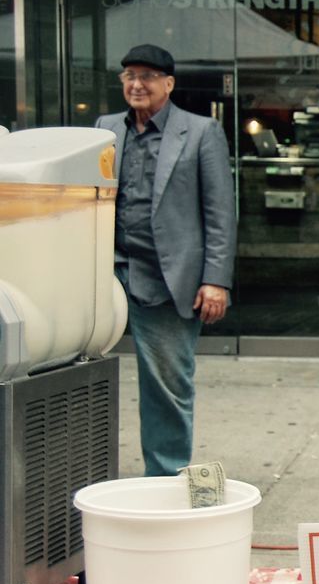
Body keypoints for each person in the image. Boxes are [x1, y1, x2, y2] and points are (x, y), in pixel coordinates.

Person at [96, 44, 237, 477]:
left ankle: (165, 477)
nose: (137, 84)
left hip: (165, 278)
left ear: (168, 84)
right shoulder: (105, 130)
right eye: (129, 76)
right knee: (77, 373)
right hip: (106, 276)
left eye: (148, 77)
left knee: (167, 386)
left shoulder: (200, 131)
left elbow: (220, 212)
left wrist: (216, 280)